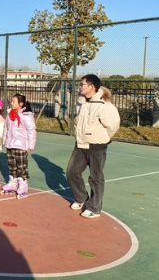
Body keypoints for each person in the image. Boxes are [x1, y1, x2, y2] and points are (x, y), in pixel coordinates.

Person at [66, 75, 120, 219]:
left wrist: (102, 138)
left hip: (97, 146)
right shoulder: (81, 102)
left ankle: (94, 208)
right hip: (80, 144)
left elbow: (113, 126)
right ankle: (82, 198)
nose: (80, 87)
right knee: (72, 172)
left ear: (92, 86)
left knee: (95, 177)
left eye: (82, 84)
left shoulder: (104, 105)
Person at [2, 94, 37, 199]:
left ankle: (23, 184)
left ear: (21, 104)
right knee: (12, 165)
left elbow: (31, 131)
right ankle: (12, 182)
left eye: (14, 101)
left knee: (21, 166)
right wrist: (5, 141)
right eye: (11, 101)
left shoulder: (27, 117)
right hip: (10, 145)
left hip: (21, 146)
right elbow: (6, 128)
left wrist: (30, 146)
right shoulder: (9, 115)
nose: (12, 103)